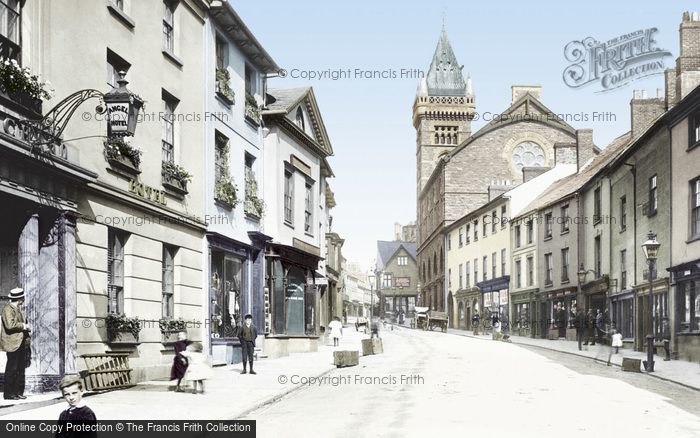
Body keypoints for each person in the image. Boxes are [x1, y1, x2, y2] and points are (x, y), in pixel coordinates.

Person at [1, 287, 31, 400]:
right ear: (19, 299)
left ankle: (17, 392)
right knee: (12, 369)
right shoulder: (7, 309)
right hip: (12, 344)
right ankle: (9, 394)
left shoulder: (16, 308)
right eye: (22, 297)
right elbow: (9, 325)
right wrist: (24, 326)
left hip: (19, 343)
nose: (23, 299)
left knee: (18, 369)